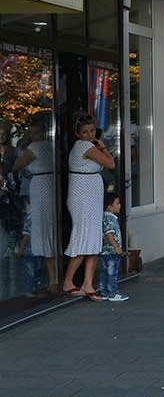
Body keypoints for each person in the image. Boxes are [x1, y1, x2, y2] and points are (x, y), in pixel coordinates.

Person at [62, 113, 116, 302]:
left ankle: (88, 283)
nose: (89, 134)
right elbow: (110, 163)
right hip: (83, 195)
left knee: (92, 238)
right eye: (85, 132)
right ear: (78, 134)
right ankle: (68, 281)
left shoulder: (87, 146)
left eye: (92, 131)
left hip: (89, 194)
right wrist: (103, 147)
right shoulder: (85, 146)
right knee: (83, 237)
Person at [12, 118, 57, 293]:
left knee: (42, 226)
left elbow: (17, 165)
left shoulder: (34, 148)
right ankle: (52, 276)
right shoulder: (51, 146)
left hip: (40, 184)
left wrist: (23, 146)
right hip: (49, 183)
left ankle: (50, 277)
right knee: (48, 227)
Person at [99, 191, 128, 302]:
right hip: (111, 252)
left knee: (104, 272)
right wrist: (116, 247)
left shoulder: (103, 217)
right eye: (117, 203)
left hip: (104, 252)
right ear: (110, 206)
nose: (119, 206)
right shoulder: (111, 219)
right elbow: (109, 235)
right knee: (112, 273)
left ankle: (104, 292)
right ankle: (113, 293)